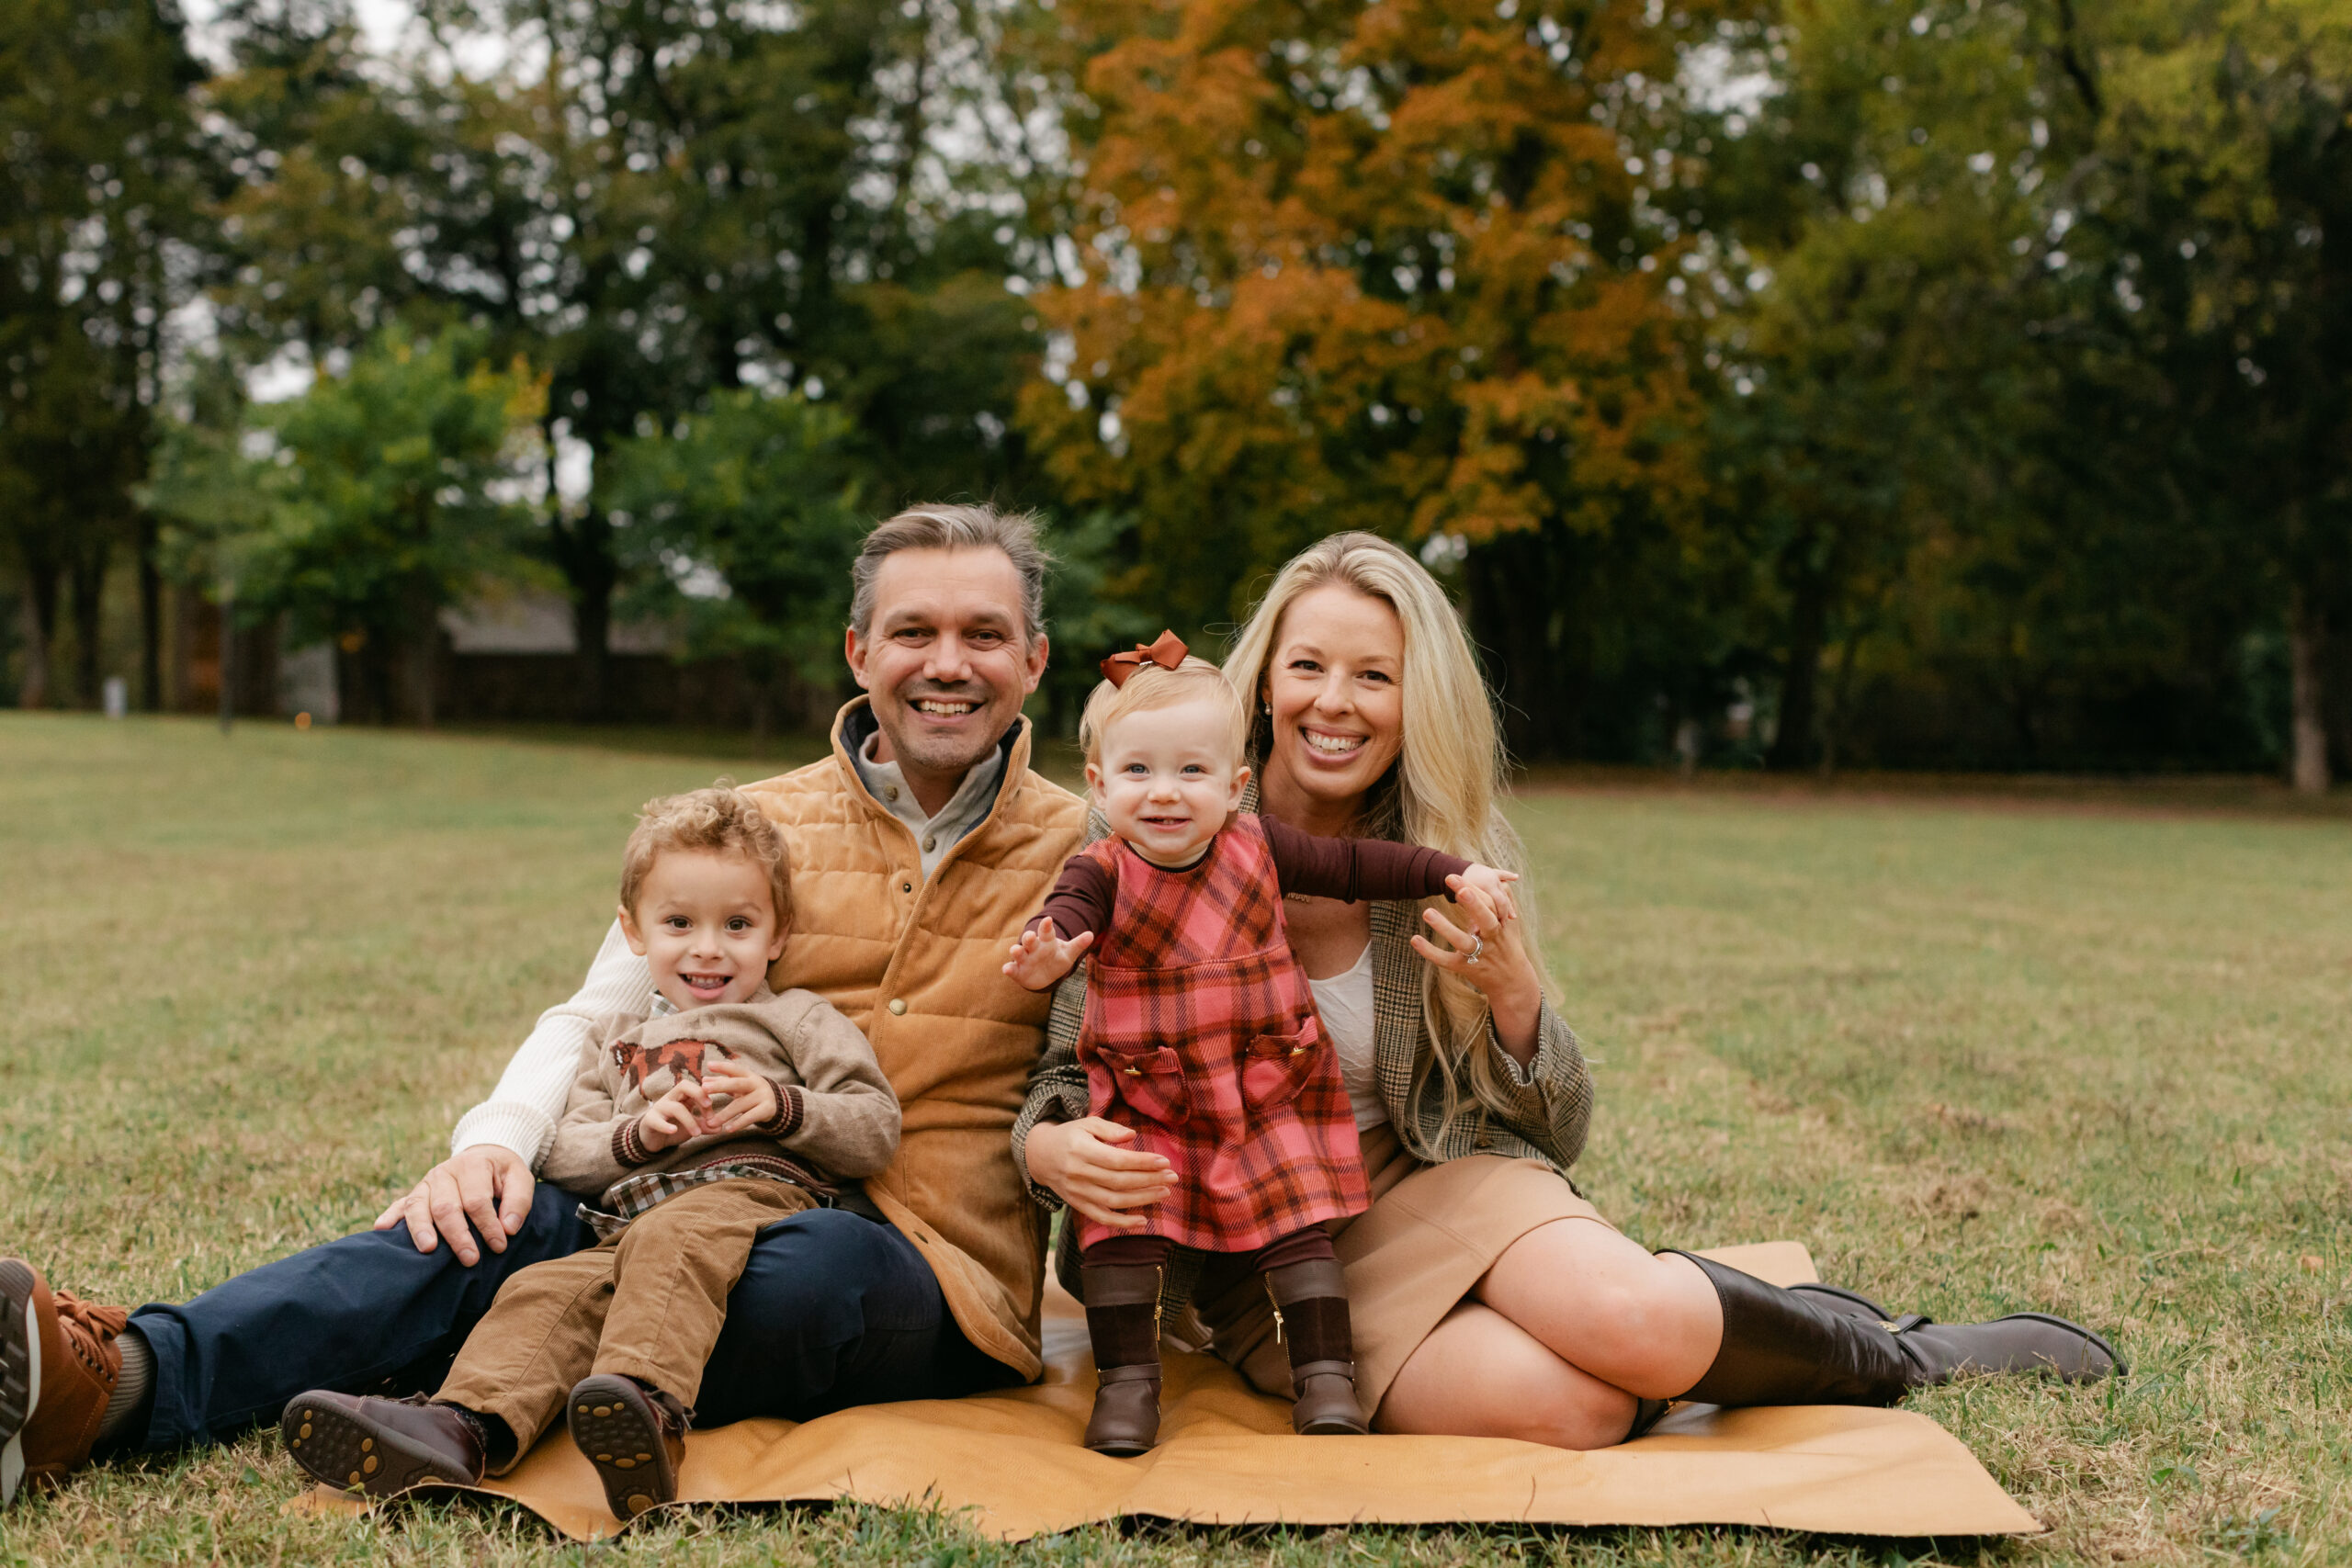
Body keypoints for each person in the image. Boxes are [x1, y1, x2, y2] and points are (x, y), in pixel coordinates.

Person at [0, 504, 1086, 1506]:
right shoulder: (748, 828)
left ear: (1033, 660)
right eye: (914, 631)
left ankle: (496, 1391)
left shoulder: (1090, 850)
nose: (948, 664)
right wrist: (496, 1148)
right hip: (651, 1188)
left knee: (792, 1278)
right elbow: (590, 1013)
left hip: (919, 1270)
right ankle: (119, 1381)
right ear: (859, 652)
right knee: (482, 1232)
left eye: (984, 635)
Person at [1014, 532, 2121, 1450]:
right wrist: (1050, 1146)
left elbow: (1563, 1128)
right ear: (1260, 682)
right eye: (1307, 667)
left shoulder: (1445, 851)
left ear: (1414, 698)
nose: (1333, 704)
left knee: (1633, 1320)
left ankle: (1896, 1350)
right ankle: (1716, 1331)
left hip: (1439, 1179)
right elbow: (1064, 1067)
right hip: (1261, 1245)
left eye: (1374, 675)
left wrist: (1516, 1003)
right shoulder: (1130, 842)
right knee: (1574, 1407)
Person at [282, 786, 901, 1520]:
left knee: (678, 1237)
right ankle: (461, 1426)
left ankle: (645, 1410)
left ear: (778, 934)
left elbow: (875, 1124)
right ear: (633, 933)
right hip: (628, 1221)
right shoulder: (617, 1039)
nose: (707, 946)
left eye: (738, 924)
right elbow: (567, 1151)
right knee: (546, 1292)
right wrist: (640, 1137)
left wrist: (781, 1104)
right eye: (678, 922)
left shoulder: (796, 1018)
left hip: (753, 1199)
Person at [1003, 637, 1518, 1454]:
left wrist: (1455, 873)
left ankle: (1326, 1376)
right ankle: (1128, 1386)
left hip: (1267, 1092)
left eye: (1192, 773)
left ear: (1236, 786)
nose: (1165, 795)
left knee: (1300, 1232)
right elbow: (1064, 917)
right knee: (1120, 1234)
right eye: (1138, 772)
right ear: (1100, 783)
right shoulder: (1099, 870)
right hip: (1152, 1100)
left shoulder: (1257, 848)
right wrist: (1049, 948)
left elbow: (1358, 865)